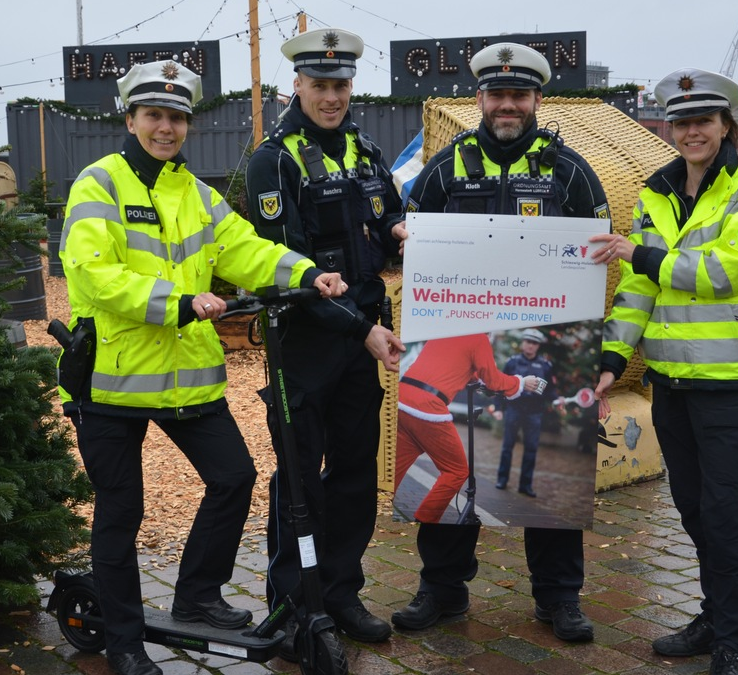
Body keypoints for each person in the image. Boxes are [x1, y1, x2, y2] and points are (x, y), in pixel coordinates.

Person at [58, 60, 345, 675]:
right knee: (121, 512)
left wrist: (304, 272)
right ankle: (126, 642)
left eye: (177, 118)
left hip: (188, 377)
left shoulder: (195, 192)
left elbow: (246, 248)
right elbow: (93, 274)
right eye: (154, 115)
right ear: (131, 118)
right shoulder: (98, 185)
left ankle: (195, 595)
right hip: (111, 382)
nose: (166, 128)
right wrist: (179, 302)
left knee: (233, 476)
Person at [391, 43, 609, 644]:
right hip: (457, 340)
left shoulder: (571, 170)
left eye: (519, 95)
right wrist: (405, 239)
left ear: (537, 100)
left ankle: (558, 599)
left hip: (548, 334)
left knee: (554, 478)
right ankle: (441, 589)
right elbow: (407, 242)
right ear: (480, 99)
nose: (507, 105)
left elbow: (602, 252)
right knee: (457, 469)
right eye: (497, 94)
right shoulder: (443, 167)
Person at [590, 68, 738, 675]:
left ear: (727, 125)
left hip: (726, 388)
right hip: (669, 385)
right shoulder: (657, 193)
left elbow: (728, 271)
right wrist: (612, 359)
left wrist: (641, 253)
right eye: (681, 122)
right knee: (694, 508)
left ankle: (732, 639)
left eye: (703, 120)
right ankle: (713, 615)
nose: (691, 131)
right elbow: (638, 292)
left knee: (722, 511)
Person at [245, 27, 408, 650]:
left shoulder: (365, 149)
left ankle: (340, 593)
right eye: (320, 85)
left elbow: (386, 210)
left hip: (361, 334)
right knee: (299, 479)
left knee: (353, 475)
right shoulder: (274, 159)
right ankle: (292, 606)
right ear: (298, 85)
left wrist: (401, 230)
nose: (331, 96)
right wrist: (364, 330)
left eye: (340, 85)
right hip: (307, 344)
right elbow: (289, 269)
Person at [394, 333, 542, 523]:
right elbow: (493, 379)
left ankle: (375, 505)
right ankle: (426, 520)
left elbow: (454, 363)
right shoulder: (478, 337)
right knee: (456, 471)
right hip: (427, 407)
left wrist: (475, 378)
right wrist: (520, 382)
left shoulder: (449, 329)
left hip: (403, 398)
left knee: (397, 464)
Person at [492, 328, 555, 497]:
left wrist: (558, 400)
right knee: (507, 447)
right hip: (514, 409)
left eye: (534, 343)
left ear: (538, 346)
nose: (530, 346)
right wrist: (498, 408)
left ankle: (525, 485)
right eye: (528, 341)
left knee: (531, 449)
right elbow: (501, 386)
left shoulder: (545, 365)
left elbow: (551, 390)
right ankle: (502, 479)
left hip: (534, 412)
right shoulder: (512, 362)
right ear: (522, 343)